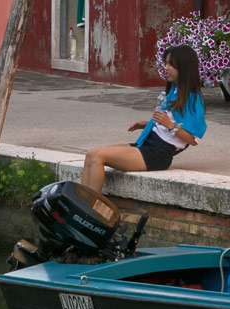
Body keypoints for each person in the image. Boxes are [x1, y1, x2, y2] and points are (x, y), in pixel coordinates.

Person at [81, 45, 207, 196]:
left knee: (97, 157)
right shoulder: (174, 90)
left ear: (183, 67)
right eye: (165, 63)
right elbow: (169, 123)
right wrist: (147, 124)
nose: (165, 68)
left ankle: (89, 206)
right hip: (149, 144)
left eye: (170, 64)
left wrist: (169, 125)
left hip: (158, 154)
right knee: (91, 154)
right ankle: (81, 202)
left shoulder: (192, 98)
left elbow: (193, 139)